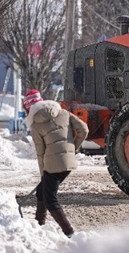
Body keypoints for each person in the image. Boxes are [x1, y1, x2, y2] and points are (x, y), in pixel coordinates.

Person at [22, 89, 89, 237]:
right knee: (42, 191)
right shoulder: (63, 113)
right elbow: (84, 129)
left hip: (52, 165)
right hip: (68, 163)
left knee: (50, 199)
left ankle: (69, 232)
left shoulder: (35, 124)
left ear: (28, 107)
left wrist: (43, 174)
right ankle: (39, 224)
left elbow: (41, 153)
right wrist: (72, 149)